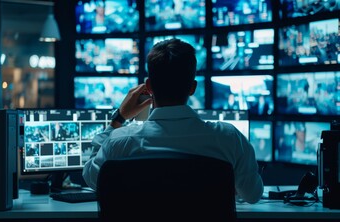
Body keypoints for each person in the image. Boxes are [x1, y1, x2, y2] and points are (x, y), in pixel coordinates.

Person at [82, 38, 263, 204]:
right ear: (192, 88)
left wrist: (119, 118)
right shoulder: (229, 138)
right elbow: (252, 195)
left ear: (149, 87)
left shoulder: (119, 141)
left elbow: (91, 178)